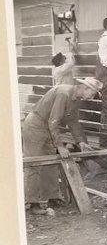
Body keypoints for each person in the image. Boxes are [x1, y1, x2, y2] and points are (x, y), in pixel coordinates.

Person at [22, 78, 102, 215]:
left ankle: (52, 197)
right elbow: (54, 120)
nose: (92, 97)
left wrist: (81, 141)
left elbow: (73, 122)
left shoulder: (75, 99)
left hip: (48, 128)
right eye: (93, 93)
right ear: (84, 88)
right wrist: (60, 146)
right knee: (34, 163)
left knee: (51, 163)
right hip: (35, 125)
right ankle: (33, 203)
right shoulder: (64, 93)